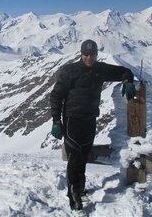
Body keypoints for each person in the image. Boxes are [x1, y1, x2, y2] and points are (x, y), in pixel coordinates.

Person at [49, 39, 136, 211]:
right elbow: (56, 96)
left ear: (96, 54)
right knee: (74, 157)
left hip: (90, 120)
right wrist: (56, 120)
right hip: (72, 119)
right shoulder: (70, 71)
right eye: (86, 54)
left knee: (83, 155)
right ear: (81, 54)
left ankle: (80, 189)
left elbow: (124, 71)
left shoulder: (100, 69)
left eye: (92, 54)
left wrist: (127, 81)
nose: (89, 58)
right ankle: (74, 201)